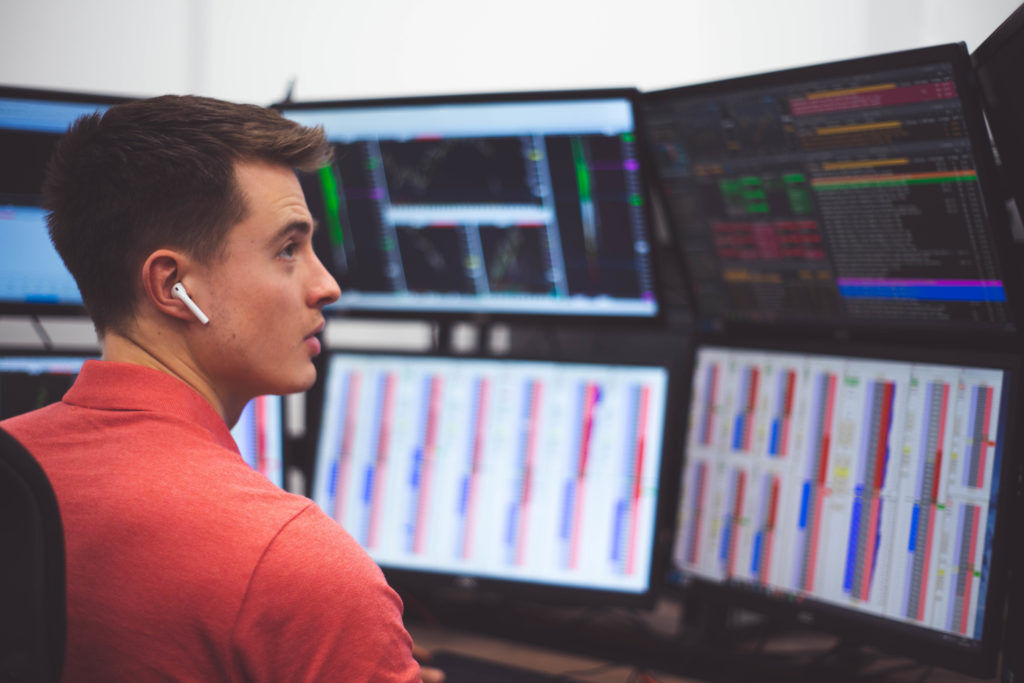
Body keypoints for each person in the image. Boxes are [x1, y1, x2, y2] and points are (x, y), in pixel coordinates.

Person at [1, 95, 441, 681]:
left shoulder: (13, 470)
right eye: (288, 249)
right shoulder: (296, 564)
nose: (327, 285)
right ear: (173, 285)